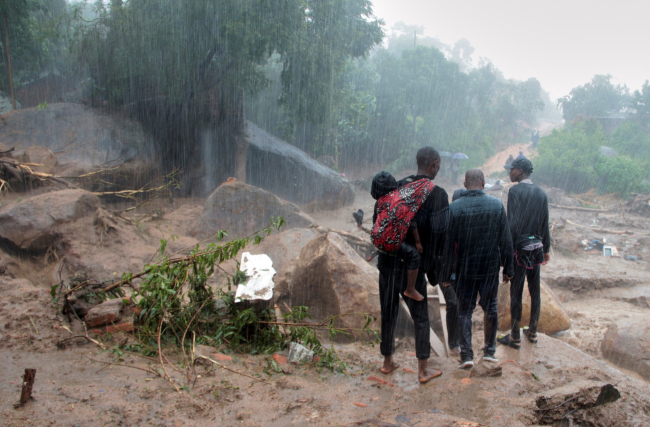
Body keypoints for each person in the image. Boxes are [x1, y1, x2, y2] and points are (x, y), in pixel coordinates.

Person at [377, 146, 449, 383]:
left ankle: (387, 363)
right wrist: (434, 271)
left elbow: (384, 219)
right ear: (434, 165)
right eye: (438, 166)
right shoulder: (437, 194)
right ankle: (422, 370)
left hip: (388, 260)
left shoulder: (398, 185)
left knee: (388, 313)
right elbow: (439, 236)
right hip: (412, 268)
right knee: (420, 317)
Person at [443, 169, 514, 368]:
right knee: (490, 307)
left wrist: (446, 273)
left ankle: (466, 356)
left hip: (465, 269)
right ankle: (490, 352)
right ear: (483, 183)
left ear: (465, 184)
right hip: (489, 268)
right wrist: (509, 268)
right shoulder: (496, 205)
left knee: (464, 311)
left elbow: (448, 246)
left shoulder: (454, 208)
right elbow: (506, 241)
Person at [498, 158, 550, 348]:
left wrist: (506, 252)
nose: (509, 173)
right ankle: (533, 331)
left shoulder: (515, 191)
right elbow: (544, 223)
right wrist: (547, 249)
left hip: (519, 250)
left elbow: (513, 224)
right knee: (535, 291)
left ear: (519, 171)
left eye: (511, 170)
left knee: (516, 292)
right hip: (536, 248)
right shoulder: (541, 193)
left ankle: (514, 335)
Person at [369, 171, 425, 302]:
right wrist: (417, 241)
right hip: (392, 243)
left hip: (377, 240)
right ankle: (410, 289)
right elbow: (412, 222)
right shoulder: (401, 200)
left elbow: (375, 221)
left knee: (388, 305)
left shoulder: (379, 202)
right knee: (414, 256)